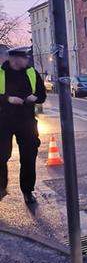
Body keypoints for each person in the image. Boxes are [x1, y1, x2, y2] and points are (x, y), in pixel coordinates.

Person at [0, 47, 47, 204]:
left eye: (26, 58)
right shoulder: (1, 73)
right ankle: (1, 188)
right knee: (1, 156)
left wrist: (35, 98)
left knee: (28, 157)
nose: (26, 61)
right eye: (23, 59)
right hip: (3, 121)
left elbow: (42, 95)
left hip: (26, 121)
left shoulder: (31, 72)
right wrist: (8, 99)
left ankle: (27, 191)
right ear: (13, 59)